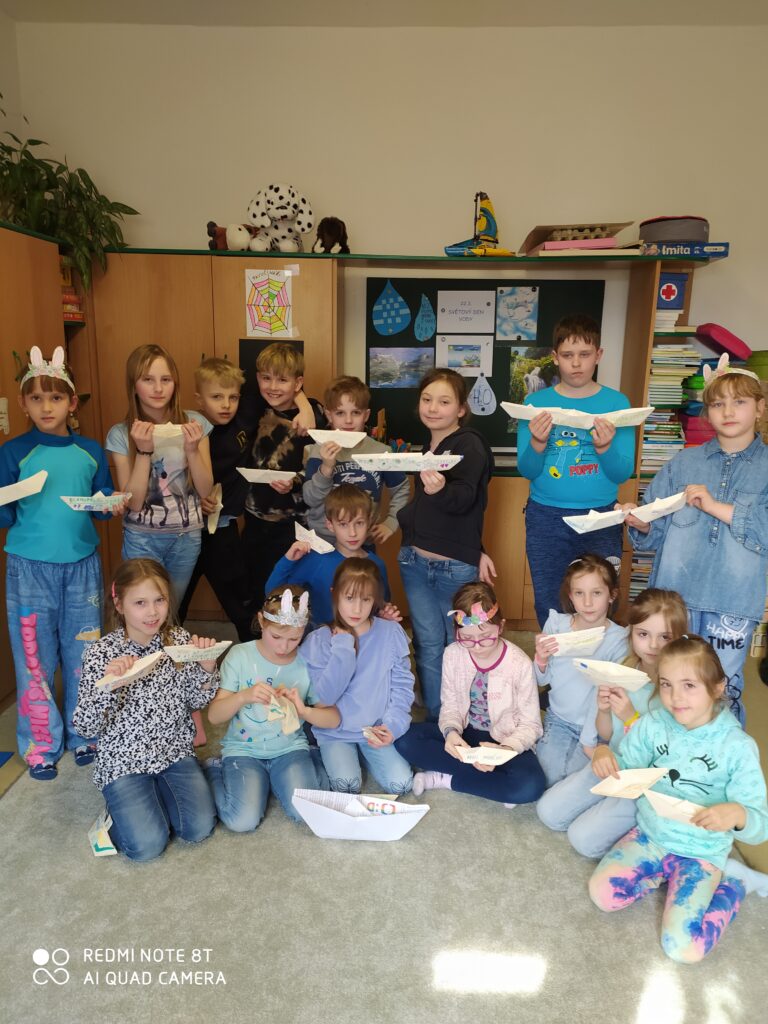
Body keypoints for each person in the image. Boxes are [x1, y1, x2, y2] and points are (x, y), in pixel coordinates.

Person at [588, 636, 768, 964]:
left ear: (717, 687)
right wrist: (605, 755)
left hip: (702, 853)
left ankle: (735, 884)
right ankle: (663, 875)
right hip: (651, 835)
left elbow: (760, 825)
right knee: (603, 894)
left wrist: (738, 813)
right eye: (666, 684)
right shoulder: (653, 724)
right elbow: (628, 769)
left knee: (683, 949)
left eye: (689, 685)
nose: (675, 697)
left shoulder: (738, 748)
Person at [621, 355, 767, 725]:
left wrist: (715, 506)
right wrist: (640, 523)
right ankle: (662, 755)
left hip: (731, 604)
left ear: (760, 408)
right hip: (674, 602)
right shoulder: (683, 463)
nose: (728, 411)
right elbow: (654, 533)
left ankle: (716, 760)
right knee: (666, 686)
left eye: (739, 401)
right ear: (707, 412)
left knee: (721, 690)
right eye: (717, 404)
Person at [0, 346, 124, 779]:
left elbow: (99, 502)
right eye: (36, 398)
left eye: (55, 398)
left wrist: (110, 504)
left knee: (84, 654)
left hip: (82, 566)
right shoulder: (13, 452)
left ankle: (84, 732)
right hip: (29, 570)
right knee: (34, 658)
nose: (46, 407)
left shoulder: (89, 450)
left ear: (72, 403)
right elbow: (5, 514)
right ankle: (40, 745)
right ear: (23, 403)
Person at [72, 559, 220, 862]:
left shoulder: (177, 640)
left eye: (159, 600)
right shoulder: (100, 653)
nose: (152, 612)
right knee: (147, 846)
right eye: (140, 603)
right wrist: (109, 685)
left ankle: (154, 801)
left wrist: (207, 669)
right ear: (119, 604)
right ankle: (114, 817)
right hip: (124, 762)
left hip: (174, 752)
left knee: (198, 828)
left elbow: (195, 701)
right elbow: (85, 728)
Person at [537, 588, 687, 856]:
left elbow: (674, 753)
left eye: (665, 637)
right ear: (631, 633)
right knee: (548, 812)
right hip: (614, 762)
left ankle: (650, 828)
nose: (653, 645)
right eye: (643, 634)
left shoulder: (681, 686)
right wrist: (602, 735)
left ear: (679, 638)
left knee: (583, 840)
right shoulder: (622, 668)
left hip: (648, 781)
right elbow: (606, 732)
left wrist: (631, 718)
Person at [177, 357, 315, 640]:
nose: (226, 405)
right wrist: (195, 499)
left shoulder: (246, 412)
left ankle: (258, 652)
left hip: (223, 528)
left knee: (242, 605)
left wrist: (305, 406)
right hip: (185, 529)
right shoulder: (189, 427)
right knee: (174, 603)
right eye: (216, 397)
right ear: (199, 399)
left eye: (233, 397)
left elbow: (277, 384)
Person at [517, 314, 635, 627]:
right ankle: (556, 658)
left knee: (600, 599)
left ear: (599, 355)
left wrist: (605, 448)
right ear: (555, 357)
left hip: (602, 517)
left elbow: (622, 473)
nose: (577, 363)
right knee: (549, 599)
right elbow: (527, 470)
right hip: (546, 517)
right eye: (568, 355)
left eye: (585, 354)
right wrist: (538, 442)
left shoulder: (617, 403)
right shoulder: (535, 403)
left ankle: (598, 657)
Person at [397, 368, 495, 721]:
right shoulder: (428, 448)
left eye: (444, 401)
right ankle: (438, 719)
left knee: (461, 644)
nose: (433, 408)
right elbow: (437, 514)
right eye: (427, 399)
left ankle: (463, 718)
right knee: (427, 645)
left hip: (453, 570)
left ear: (461, 409)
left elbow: (467, 498)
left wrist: (440, 491)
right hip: (415, 564)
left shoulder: (469, 443)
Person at [395, 582, 546, 806]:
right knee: (404, 740)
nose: (477, 646)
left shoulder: (520, 663)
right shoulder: (453, 654)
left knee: (530, 786)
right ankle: (496, 784)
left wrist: (504, 750)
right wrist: (451, 732)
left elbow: (531, 725)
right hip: (466, 734)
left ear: (501, 627)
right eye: (466, 638)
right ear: (457, 632)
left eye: (485, 637)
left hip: (504, 739)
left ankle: (446, 779)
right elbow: (450, 706)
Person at [204, 586, 340, 831]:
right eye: (276, 637)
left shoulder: (308, 662)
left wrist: (304, 711)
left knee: (307, 813)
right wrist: (243, 696)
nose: (283, 647)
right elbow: (214, 717)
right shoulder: (240, 655)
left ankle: (306, 763)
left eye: (294, 639)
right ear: (261, 621)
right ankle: (214, 769)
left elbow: (333, 719)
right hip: (243, 750)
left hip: (290, 748)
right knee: (242, 821)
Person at [106, 344, 214, 608]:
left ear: (175, 383)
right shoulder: (120, 434)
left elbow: (205, 489)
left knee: (171, 609)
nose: (158, 388)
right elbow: (133, 502)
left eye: (166, 380)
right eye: (148, 380)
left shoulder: (194, 423)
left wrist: (191, 450)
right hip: (141, 538)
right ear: (133, 385)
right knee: (143, 612)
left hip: (186, 536)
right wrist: (144, 452)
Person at [300, 558, 414, 794]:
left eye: (366, 600)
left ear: (375, 600)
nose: (357, 609)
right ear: (335, 594)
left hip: (375, 728)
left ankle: (363, 756)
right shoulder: (319, 640)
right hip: (335, 732)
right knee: (347, 786)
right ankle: (319, 755)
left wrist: (392, 726)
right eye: (349, 598)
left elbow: (402, 687)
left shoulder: (390, 631)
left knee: (402, 784)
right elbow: (324, 698)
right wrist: (343, 648)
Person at [534, 554, 629, 787]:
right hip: (559, 719)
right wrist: (541, 659)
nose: (587, 603)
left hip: (597, 726)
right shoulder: (556, 624)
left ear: (612, 595)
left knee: (579, 781)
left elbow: (604, 698)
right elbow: (540, 680)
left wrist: (591, 743)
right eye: (579, 593)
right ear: (570, 596)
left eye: (596, 593)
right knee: (548, 779)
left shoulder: (619, 640)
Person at [241, 343, 324, 606]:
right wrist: (301, 400)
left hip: (297, 522)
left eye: (282, 380)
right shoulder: (254, 406)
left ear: (298, 383)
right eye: (266, 378)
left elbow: (320, 465)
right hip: (256, 518)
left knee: (294, 592)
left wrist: (305, 405)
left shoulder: (314, 413)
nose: (273, 387)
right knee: (258, 589)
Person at [302, 375, 410, 546]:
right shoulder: (318, 451)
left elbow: (401, 488)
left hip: (363, 542)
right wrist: (326, 469)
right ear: (329, 415)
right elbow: (310, 499)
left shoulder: (382, 452)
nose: (348, 420)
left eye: (356, 413)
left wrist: (391, 522)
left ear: (366, 415)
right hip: (322, 542)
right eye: (340, 413)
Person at [265, 485, 393, 628]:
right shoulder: (316, 560)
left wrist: (385, 613)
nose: (352, 533)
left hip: (362, 639)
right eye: (343, 524)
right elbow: (273, 594)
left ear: (369, 521)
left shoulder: (377, 565)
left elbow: (380, 606)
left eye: (359, 523)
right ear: (330, 525)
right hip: (320, 638)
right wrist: (288, 560)